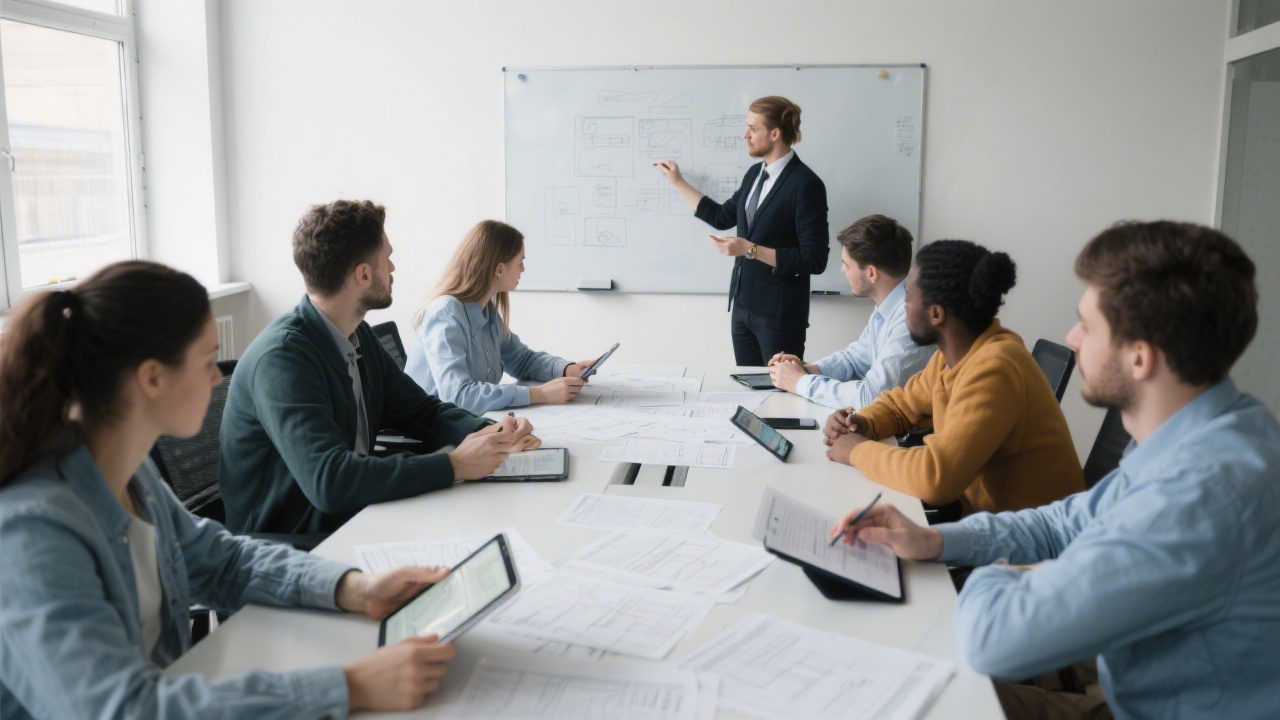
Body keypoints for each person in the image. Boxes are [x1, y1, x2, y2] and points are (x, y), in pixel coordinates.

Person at [830, 221, 1280, 720]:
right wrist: (937, 541)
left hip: (1126, 702)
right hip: (1123, 677)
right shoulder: (1214, 432)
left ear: (1139, 357)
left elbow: (991, 639)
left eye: (1087, 324)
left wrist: (993, 572)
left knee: (908, 691)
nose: (1071, 337)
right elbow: (1066, 522)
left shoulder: (1197, 494)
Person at [0, 261, 460, 718]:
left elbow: (223, 561)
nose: (218, 378)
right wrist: (350, 686)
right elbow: (121, 709)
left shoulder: (129, 473)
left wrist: (355, 588)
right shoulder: (32, 532)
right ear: (152, 378)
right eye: (206, 360)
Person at [220, 201, 539, 536]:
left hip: (351, 515)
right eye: (387, 257)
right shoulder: (283, 359)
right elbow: (331, 481)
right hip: (291, 542)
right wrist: (456, 465)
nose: (393, 267)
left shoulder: (357, 336)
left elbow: (422, 411)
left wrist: (490, 432)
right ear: (363, 274)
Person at [823, 239, 1083, 514]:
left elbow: (935, 479)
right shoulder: (954, 356)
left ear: (936, 313)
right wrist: (862, 424)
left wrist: (856, 451)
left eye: (908, 296)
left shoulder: (995, 368)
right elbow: (902, 406)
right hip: (985, 523)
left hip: (1034, 546)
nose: (903, 306)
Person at [656, 95, 830, 365]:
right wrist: (679, 183)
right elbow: (722, 216)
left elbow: (814, 259)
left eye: (753, 128)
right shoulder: (753, 174)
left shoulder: (805, 184)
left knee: (777, 397)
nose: (745, 134)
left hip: (779, 316)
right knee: (748, 391)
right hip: (743, 308)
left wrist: (749, 249)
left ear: (775, 133)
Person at [407, 220, 597, 414]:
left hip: (460, 423)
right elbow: (458, 396)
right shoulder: (446, 313)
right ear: (499, 270)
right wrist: (539, 394)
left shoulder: (485, 310)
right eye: (520, 262)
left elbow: (522, 360)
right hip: (430, 431)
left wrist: (567, 369)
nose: (523, 269)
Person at [767, 214, 934, 409]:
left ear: (871, 273)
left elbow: (870, 397)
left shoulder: (911, 319)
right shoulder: (888, 307)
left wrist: (799, 383)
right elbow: (855, 360)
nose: (842, 270)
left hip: (908, 435)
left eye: (847, 264)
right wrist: (808, 370)